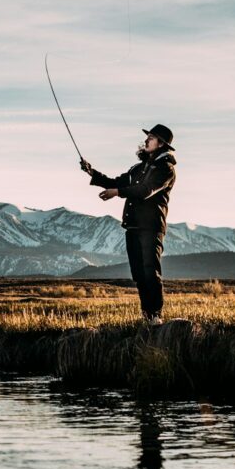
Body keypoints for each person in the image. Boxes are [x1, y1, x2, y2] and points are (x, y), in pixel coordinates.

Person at [80, 124, 177, 326]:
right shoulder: (138, 168)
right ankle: (147, 316)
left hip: (151, 227)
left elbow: (145, 190)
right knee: (139, 273)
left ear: (161, 143)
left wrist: (117, 193)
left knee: (150, 270)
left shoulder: (166, 169)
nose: (146, 140)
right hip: (133, 226)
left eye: (151, 137)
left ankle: (156, 315)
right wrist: (92, 173)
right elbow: (118, 182)